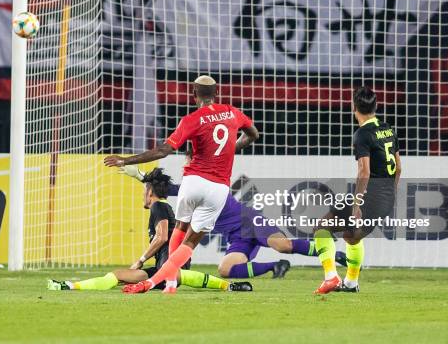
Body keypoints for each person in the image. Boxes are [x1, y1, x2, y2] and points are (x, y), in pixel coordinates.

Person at [105, 75, 259, 294]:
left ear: (194, 94)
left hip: (194, 181)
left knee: (179, 228)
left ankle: (166, 283)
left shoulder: (192, 119)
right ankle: (160, 283)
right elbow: (254, 134)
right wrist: (230, 149)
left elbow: (163, 151)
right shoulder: (233, 112)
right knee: (190, 243)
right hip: (218, 188)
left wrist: (125, 160)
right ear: (216, 93)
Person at [119, 152, 348, 279]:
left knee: (283, 244)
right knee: (225, 270)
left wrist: (140, 174)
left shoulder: (208, 181)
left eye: (187, 164)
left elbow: (170, 189)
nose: (184, 169)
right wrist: (139, 175)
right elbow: (165, 189)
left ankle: (333, 253)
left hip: (250, 221)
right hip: (236, 236)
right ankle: (275, 267)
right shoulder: (191, 186)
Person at [47, 168, 251, 293]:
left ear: (149, 191)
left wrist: (141, 259)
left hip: (167, 268)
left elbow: (162, 236)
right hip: (167, 269)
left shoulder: (159, 207)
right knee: (119, 276)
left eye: (145, 190)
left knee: (175, 276)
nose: (143, 195)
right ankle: (69, 285)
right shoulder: (164, 207)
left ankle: (68, 286)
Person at [313, 86, 401, 294]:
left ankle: (331, 278)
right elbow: (398, 167)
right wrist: (391, 196)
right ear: (376, 106)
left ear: (354, 107)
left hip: (369, 199)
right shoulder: (388, 129)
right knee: (351, 237)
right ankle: (351, 283)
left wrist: (357, 205)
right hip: (385, 198)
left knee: (321, 227)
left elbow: (364, 171)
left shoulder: (362, 134)